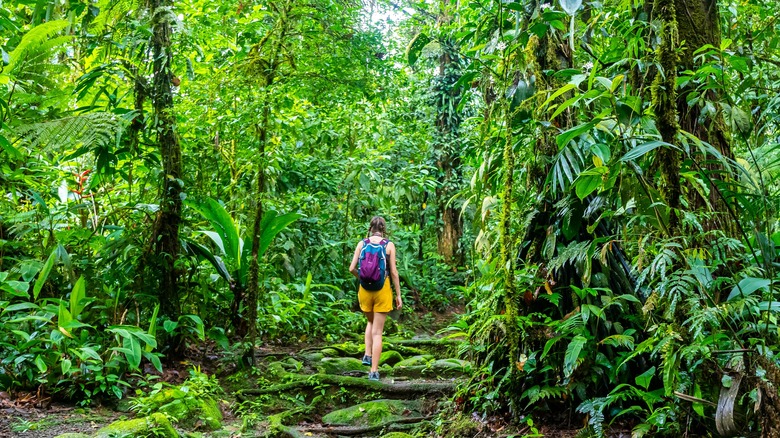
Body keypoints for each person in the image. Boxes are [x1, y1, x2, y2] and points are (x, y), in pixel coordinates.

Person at [349, 216, 403, 381]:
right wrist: (398, 295)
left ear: (370, 228)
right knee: (378, 332)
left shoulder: (362, 244)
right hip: (382, 290)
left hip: (365, 290)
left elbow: (351, 268)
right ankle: (373, 371)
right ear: (383, 229)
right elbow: (393, 272)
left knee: (370, 322)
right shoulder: (389, 245)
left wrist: (362, 278)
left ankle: (367, 354)